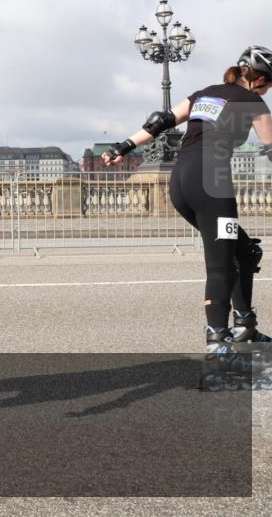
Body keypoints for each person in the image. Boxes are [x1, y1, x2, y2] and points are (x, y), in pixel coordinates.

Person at [103, 46, 272, 353]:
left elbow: (161, 120)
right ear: (260, 79)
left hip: (181, 181)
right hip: (212, 182)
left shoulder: (205, 94)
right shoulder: (254, 101)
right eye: (270, 84)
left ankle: (245, 327)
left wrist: (123, 147)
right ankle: (219, 345)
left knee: (244, 252)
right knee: (221, 266)